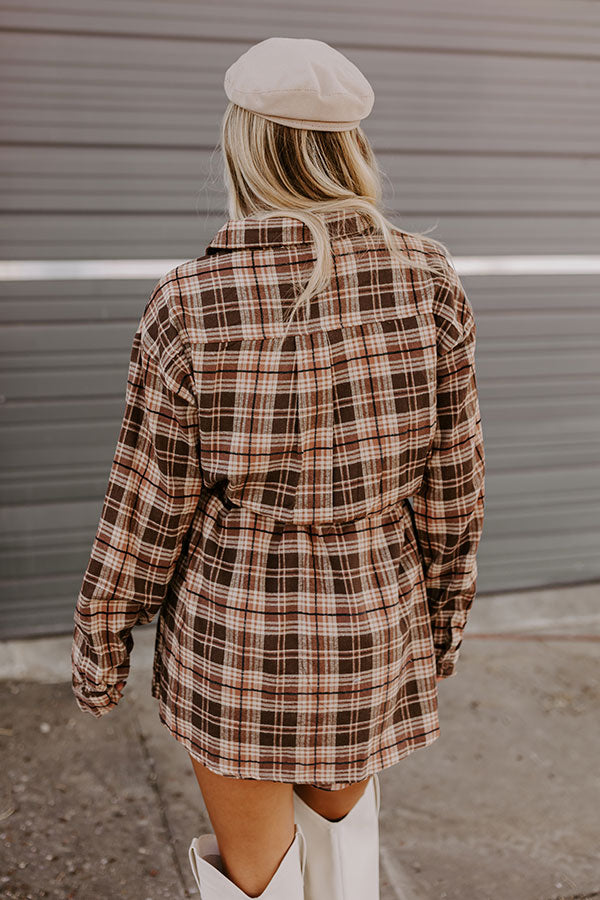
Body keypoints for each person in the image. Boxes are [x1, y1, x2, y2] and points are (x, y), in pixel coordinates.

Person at [70, 36, 486, 900]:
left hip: (235, 639)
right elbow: (456, 492)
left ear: (244, 145)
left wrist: (101, 643)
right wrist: (441, 623)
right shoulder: (431, 282)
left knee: (257, 886)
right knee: (345, 859)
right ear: (349, 150)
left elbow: (146, 511)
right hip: (373, 620)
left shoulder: (189, 301)